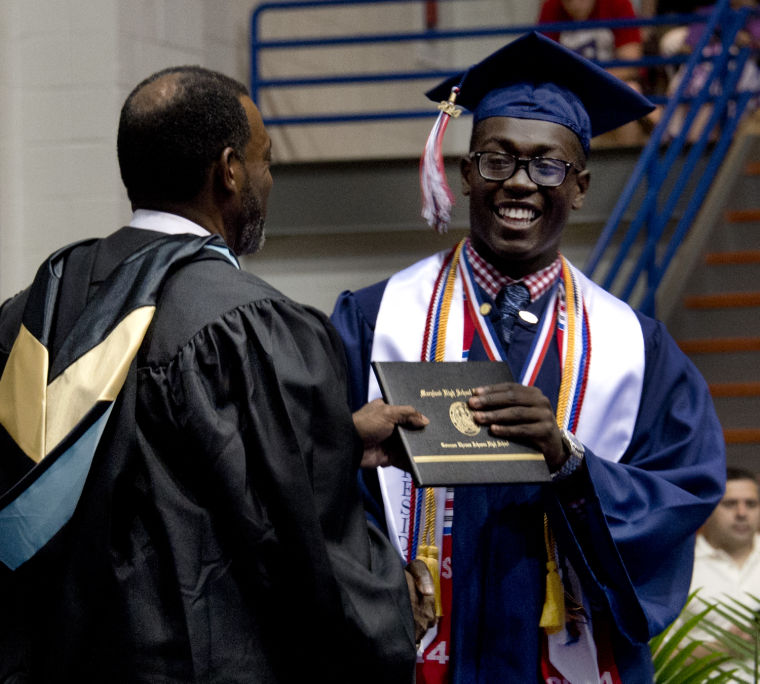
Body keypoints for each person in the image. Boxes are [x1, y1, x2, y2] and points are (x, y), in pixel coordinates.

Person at [0, 65, 431, 682]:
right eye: (266, 160)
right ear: (228, 170)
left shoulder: (33, 307)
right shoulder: (252, 324)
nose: (269, 178)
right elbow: (300, 546)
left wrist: (330, 436)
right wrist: (392, 606)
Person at [330, 31, 726, 683]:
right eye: (497, 160)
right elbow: (306, 476)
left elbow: (684, 490)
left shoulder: (636, 348)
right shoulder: (373, 319)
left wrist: (571, 463)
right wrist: (370, 558)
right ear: (465, 174)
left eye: (549, 166)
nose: (521, 182)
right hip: (415, 646)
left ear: (581, 186)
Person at [538, 0, 654, 145]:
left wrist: (590, 81)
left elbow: (630, 63)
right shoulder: (551, 6)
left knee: (628, 106)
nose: (574, 5)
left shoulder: (617, 4)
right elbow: (543, 64)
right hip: (569, 94)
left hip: (611, 88)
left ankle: (628, 163)